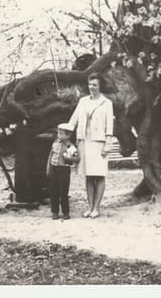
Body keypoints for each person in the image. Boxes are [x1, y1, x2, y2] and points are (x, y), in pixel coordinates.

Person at [68, 72, 114, 219]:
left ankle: (96, 207)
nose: (91, 87)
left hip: (99, 143)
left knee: (99, 176)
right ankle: (89, 207)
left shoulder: (106, 103)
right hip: (84, 142)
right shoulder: (83, 101)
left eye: (95, 85)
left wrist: (107, 144)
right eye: (90, 84)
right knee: (88, 176)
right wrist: (67, 138)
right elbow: (73, 120)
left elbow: (109, 126)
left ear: (100, 86)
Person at [46, 123, 80, 220]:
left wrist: (69, 157)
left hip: (63, 170)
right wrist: (48, 168)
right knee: (53, 191)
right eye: (58, 133)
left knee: (63, 192)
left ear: (68, 135)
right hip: (54, 168)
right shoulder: (55, 143)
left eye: (61, 134)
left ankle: (65, 212)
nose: (59, 136)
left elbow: (77, 158)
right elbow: (50, 155)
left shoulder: (70, 146)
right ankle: (54, 212)